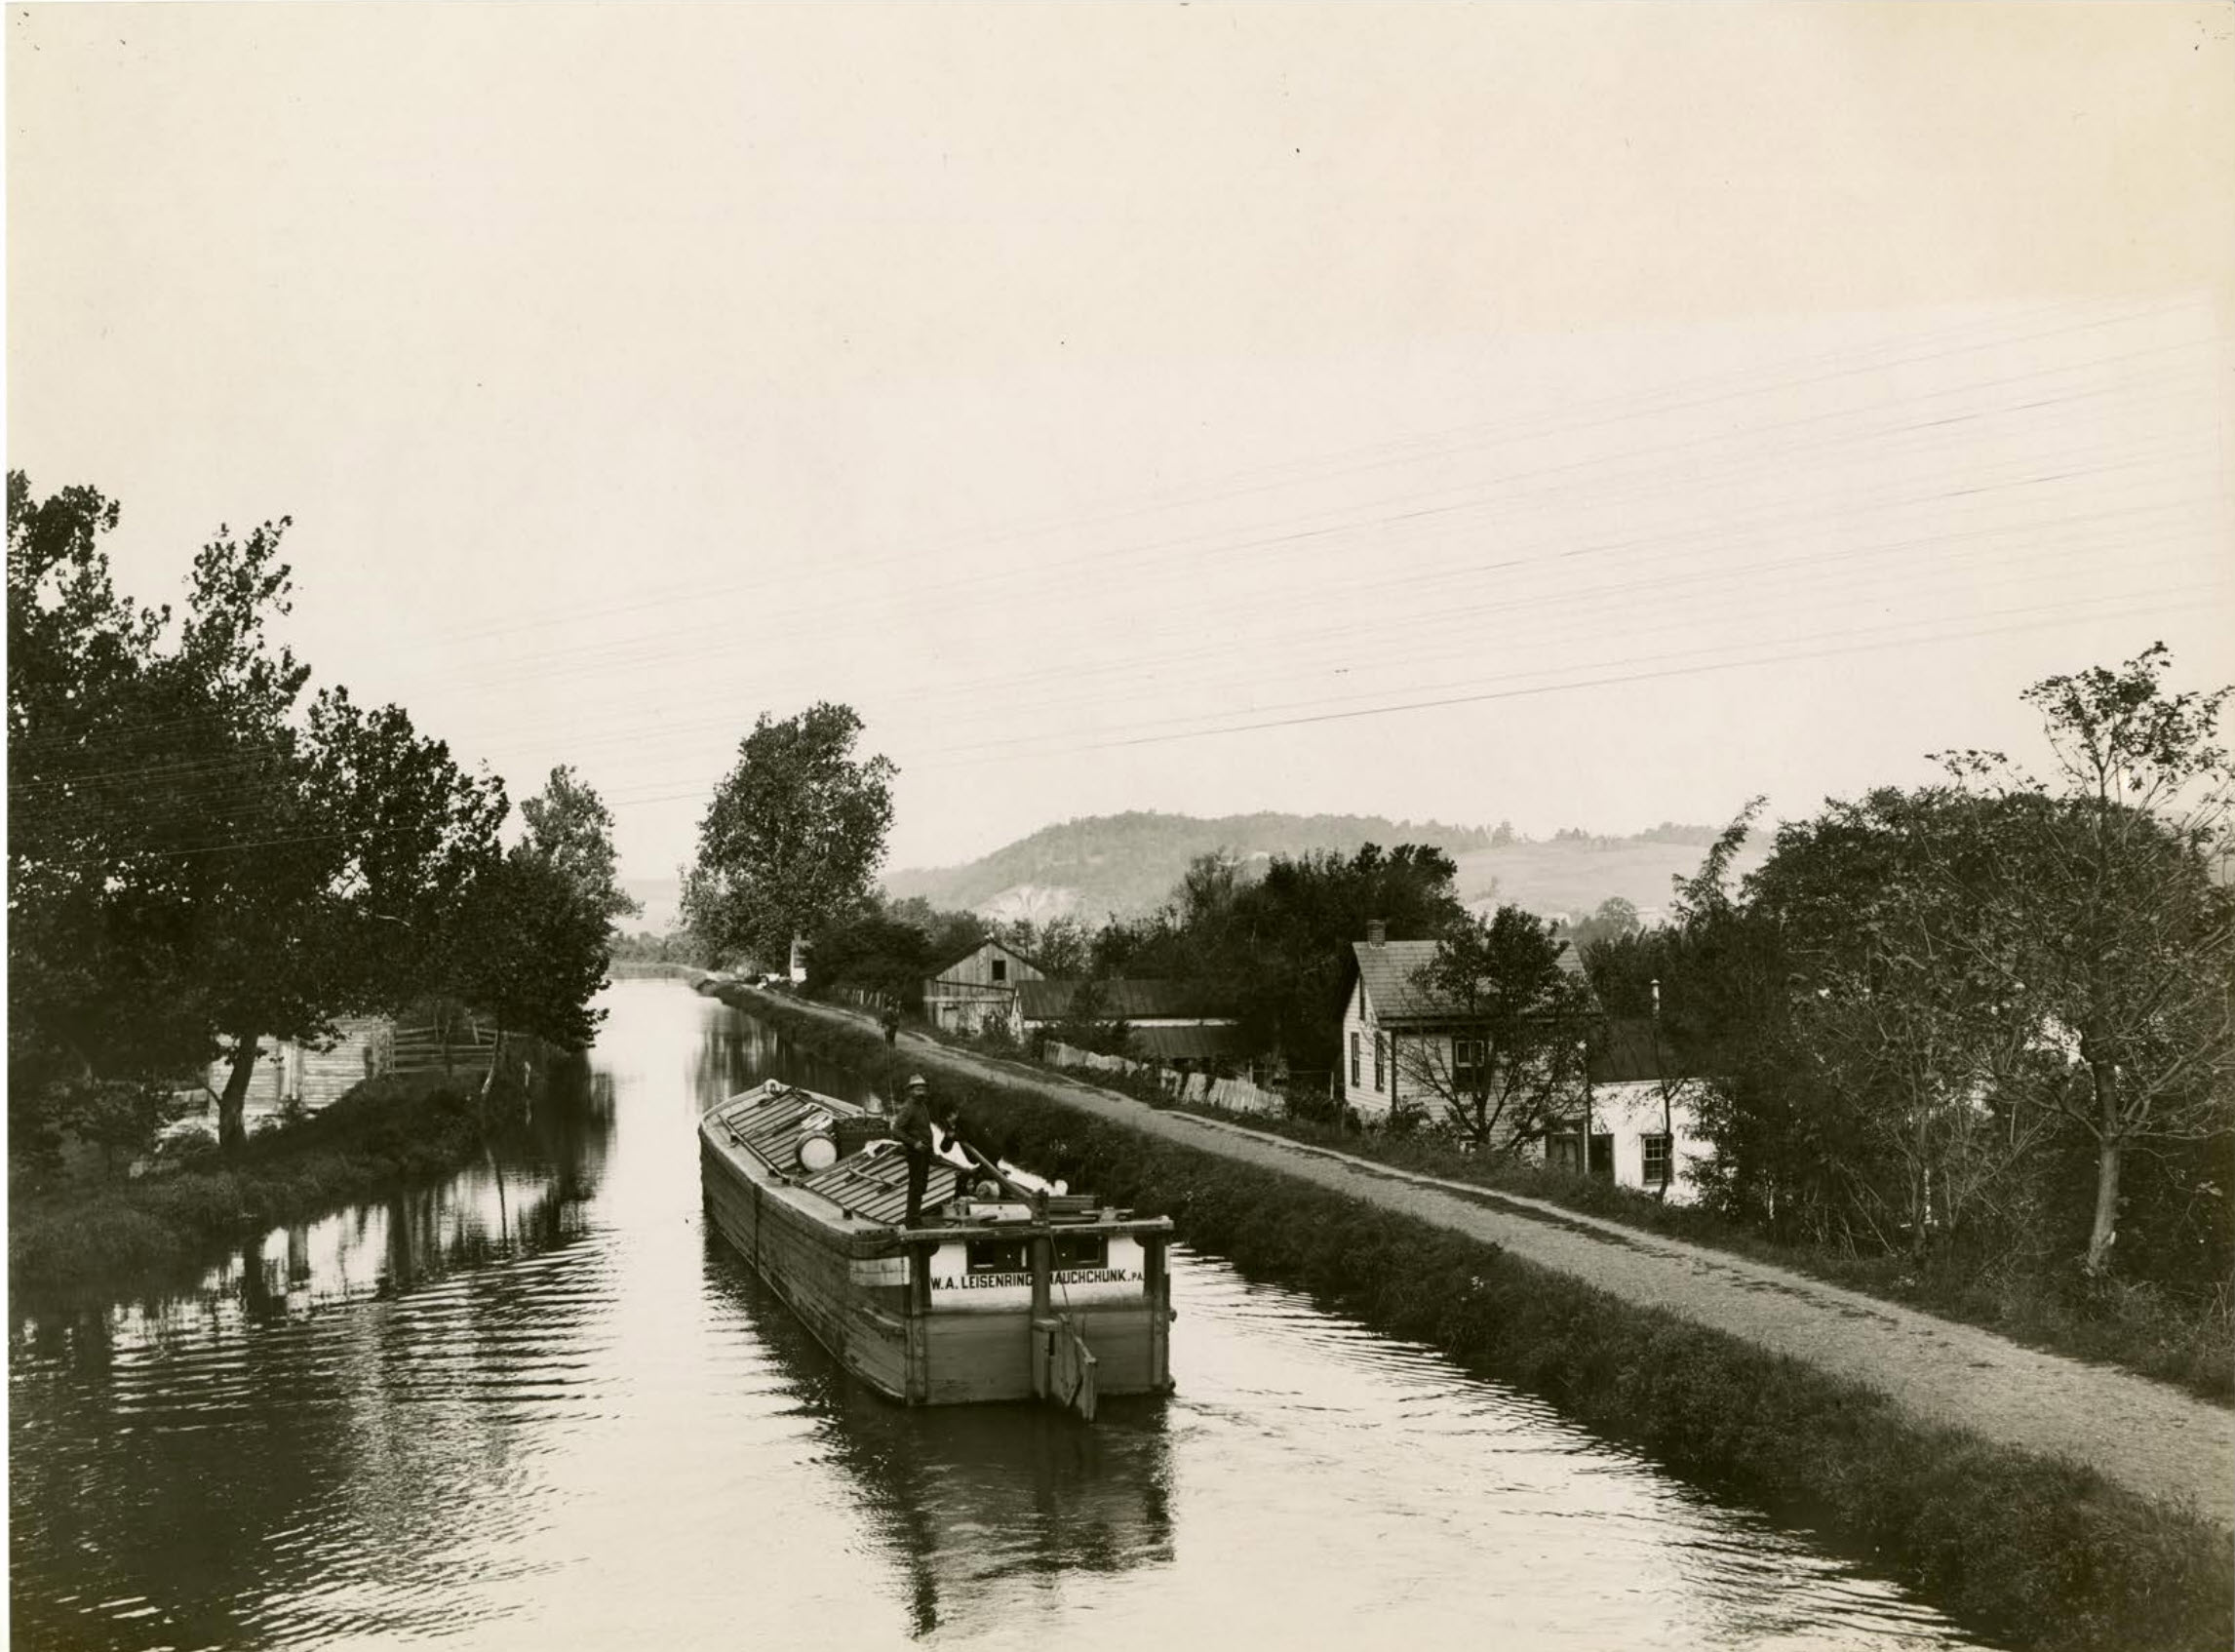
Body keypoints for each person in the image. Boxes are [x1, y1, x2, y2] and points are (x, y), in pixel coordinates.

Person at [895, 1074, 936, 1226]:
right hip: (915, 1153)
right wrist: (914, 1143)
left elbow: (926, 1129)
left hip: (925, 1152)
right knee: (916, 1186)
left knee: (922, 1186)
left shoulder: (922, 1105)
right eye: (918, 1090)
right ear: (911, 1091)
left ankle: (915, 1217)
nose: (921, 1092)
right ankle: (912, 1220)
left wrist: (931, 1150)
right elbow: (897, 1130)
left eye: (923, 1090)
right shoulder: (908, 1107)